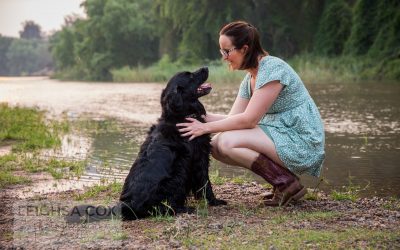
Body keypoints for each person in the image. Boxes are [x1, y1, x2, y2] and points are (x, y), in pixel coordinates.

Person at [176, 20, 325, 206]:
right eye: (222, 51)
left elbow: (248, 120)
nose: (224, 57)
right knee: (215, 146)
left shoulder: (272, 69)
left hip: (302, 141)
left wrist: (204, 127)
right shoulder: (250, 79)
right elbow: (233, 119)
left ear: (244, 49)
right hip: (281, 133)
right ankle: (284, 182)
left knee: (227, 142)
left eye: (227, 51)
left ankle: (286, 183)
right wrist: (194, 117)